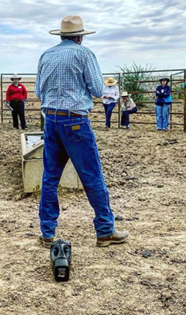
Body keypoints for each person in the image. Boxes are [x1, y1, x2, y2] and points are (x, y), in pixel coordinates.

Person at [35, 15, 128, 248]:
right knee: (92, 176)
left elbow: (38, 90)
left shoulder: (46, 55)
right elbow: (98, 89)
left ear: (62, 35)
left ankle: (47, 233)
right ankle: (105, 230)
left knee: (50, 178)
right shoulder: (84, 54)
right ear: (80, 36)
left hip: (51, 119)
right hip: (75, 120)